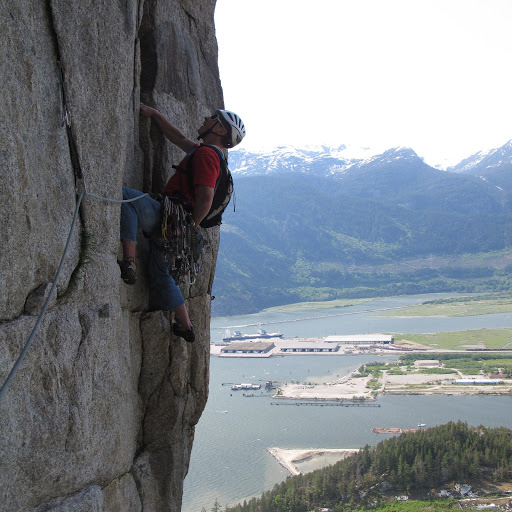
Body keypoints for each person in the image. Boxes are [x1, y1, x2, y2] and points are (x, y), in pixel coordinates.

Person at [119, 104, 245, 343]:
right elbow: (179, 138)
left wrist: (191, 225)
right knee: (160, 273)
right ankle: (186, 326)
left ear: (220, 130)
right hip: (176, 225)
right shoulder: (208, 153)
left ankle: (129, 261)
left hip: (171, 217)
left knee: (127, 198)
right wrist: (156, 114)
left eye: (213, 118)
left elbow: (206, 196)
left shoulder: (207, 156)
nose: (206, 118)